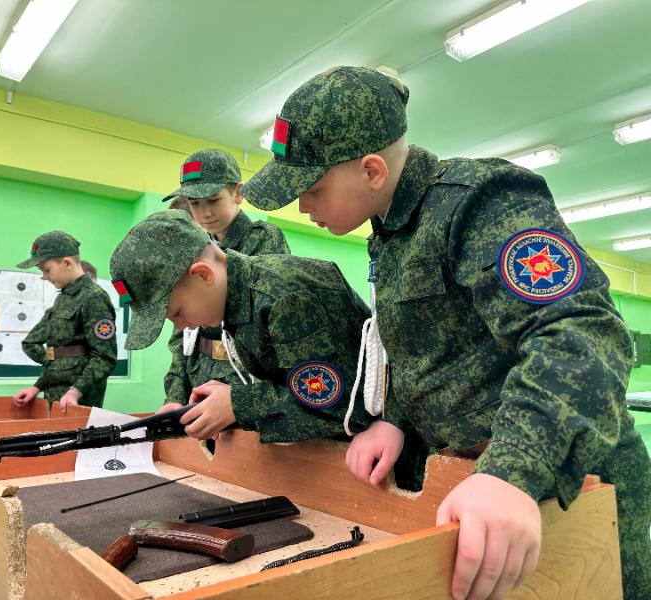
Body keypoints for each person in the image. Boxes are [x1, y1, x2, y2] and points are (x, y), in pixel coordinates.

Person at [241, 65, 651, 600]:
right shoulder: (389, 233)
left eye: (313, 189)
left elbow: (581, 333)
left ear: (371, 171)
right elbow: (426, 351)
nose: (303, 206)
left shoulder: (478, 201)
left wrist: (511, 472)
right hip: (480, 482)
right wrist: (395, 422)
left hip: (566, 477)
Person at [110, 210, 373, 442]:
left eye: (177, 313)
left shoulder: (282, 298)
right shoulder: (239, 301)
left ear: (203, 275)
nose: (181, 325)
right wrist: (226, 402)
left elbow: (343, 407)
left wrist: (238, 404)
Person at [161, 148, 290, 408]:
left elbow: (263, 327)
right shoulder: (193, 248)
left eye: (213, 200)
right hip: (199, 377)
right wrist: (175, 396)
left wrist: (240, 399)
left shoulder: (263, 239)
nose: (204, 213)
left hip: (244, 381)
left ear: (238, 193)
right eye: (195, 203)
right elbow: (182, 331)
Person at [13, 231, 117, 412]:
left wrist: (75, 391)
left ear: (67, 263)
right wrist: (37, 387)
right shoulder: (62, 299)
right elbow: (58, 357)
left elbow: (104, 357)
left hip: (77, 399)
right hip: (54, 395)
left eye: (47, 270)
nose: (45, 277)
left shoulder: (94, 298)